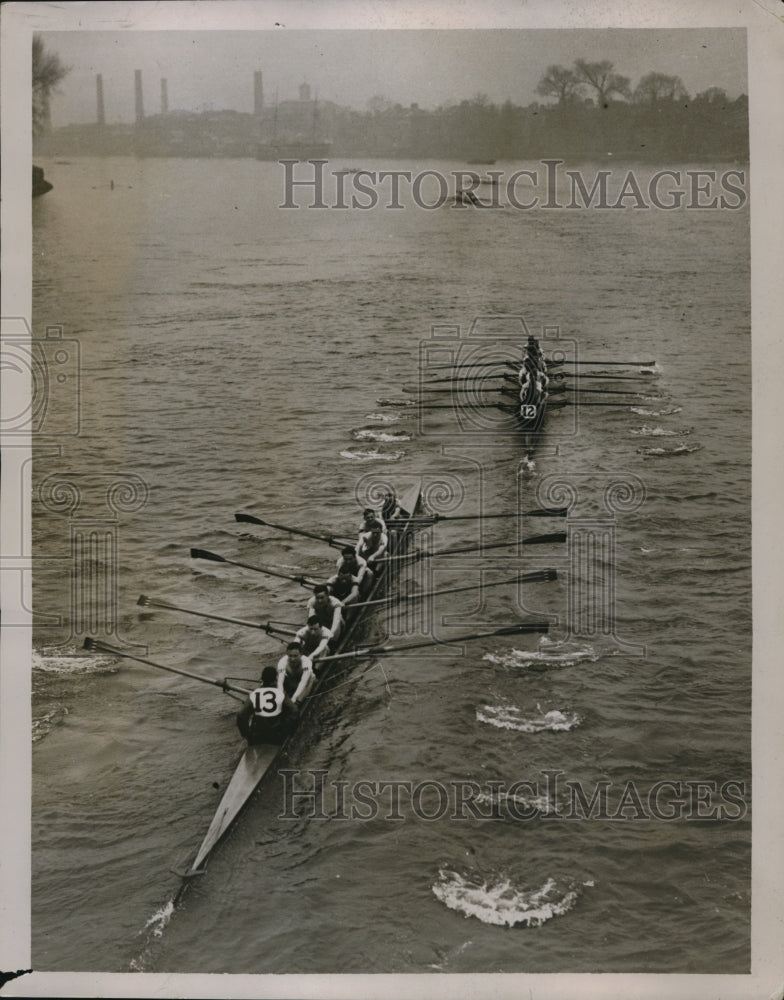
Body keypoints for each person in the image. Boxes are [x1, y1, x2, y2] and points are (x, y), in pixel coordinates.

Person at [236, 665, 297, 745]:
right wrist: (289, 731)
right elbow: (294, 711)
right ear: (275, 679)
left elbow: (240, 715)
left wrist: (246, 735)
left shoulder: (254, 694)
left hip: (259, 735)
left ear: (262, 680)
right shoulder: (280, 693)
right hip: (277, 735)